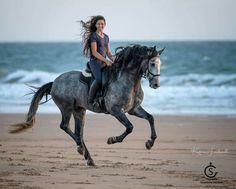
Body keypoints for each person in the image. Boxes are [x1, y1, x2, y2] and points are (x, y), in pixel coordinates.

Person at [80, 15, 114, 105]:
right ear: (95, 25)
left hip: (103, 62)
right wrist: (106, 61)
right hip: (95, 62)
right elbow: (94, 52)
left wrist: (115, 60)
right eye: (98, 24)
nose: (100, 25)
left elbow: (109, 52)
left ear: (105, 25)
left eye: (102, 24)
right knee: (99, 80)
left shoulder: (106, 37)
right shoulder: (94, 36)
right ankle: (90, 100)